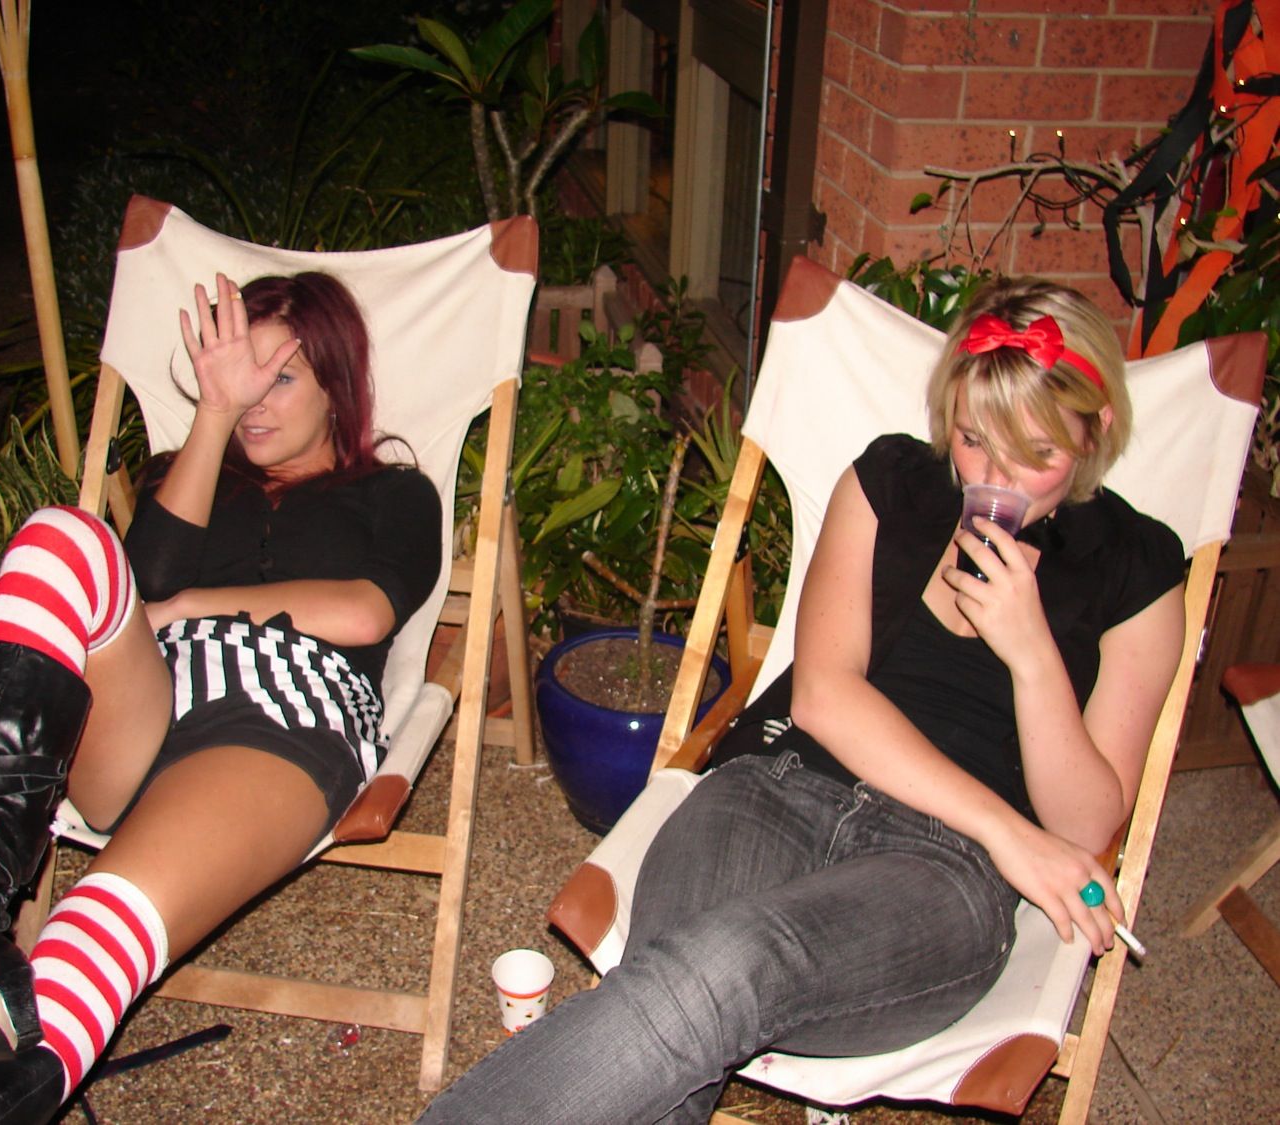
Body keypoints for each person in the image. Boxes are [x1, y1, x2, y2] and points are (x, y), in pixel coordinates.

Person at [418, 278, 1187, 1124]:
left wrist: (1031, 652)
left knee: (721, 966)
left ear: (1094, 429)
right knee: (691, 986)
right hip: (774, 785)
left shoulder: (1138, 569)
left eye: (1033, 451)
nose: (993, 475)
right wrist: (1013, 833)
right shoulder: (891, 481)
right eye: (972, 438)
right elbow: (823, 696)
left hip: (945, 868)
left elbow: (1084, 825)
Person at [0, 271, 441, 1124]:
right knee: (59, 533)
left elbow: (364, 612)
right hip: (145, 704)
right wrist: (213, 412)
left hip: (282, 712)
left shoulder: (394, 494)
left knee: (95, 920)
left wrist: (190, 606)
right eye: (238, 374)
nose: (255, 399)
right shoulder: (191, 472)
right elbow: (141, 581)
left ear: (336, 385)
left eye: (279, 376)